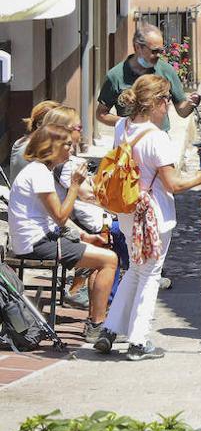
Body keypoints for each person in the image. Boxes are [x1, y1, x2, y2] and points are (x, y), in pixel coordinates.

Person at [93, 76, 201, 359]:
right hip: (153, 214)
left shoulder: (122, 126)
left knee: (135, 269)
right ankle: (138, 340)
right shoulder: (157, 138)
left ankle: (109, 330)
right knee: (149, 274)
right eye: (167, 98)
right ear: (157, 102)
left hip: (128, 210)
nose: (170, 104)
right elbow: (172, 184)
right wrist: (200, 177)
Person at [6, 124, 118, 345]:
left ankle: (95, 319)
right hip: (36, 244)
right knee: (109, 260)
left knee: (101, 253)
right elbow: (59, 216)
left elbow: (56, 219)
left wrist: (84, 237)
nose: (71, 147)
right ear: (52, 146)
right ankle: (97, 325)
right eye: (67, 144)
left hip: (39, 238)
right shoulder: (39, 173)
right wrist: (75, 185)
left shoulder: (39, 171)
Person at [96, 25, 201, 130]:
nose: (159, 55)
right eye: (154, 51)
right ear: (138, 47)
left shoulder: (166, 70)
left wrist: (191, 103)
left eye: (161, 51)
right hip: (129, 141)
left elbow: (182, 111)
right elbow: (101, 114)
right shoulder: (115, 76)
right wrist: (128, 123)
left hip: (159, 139)